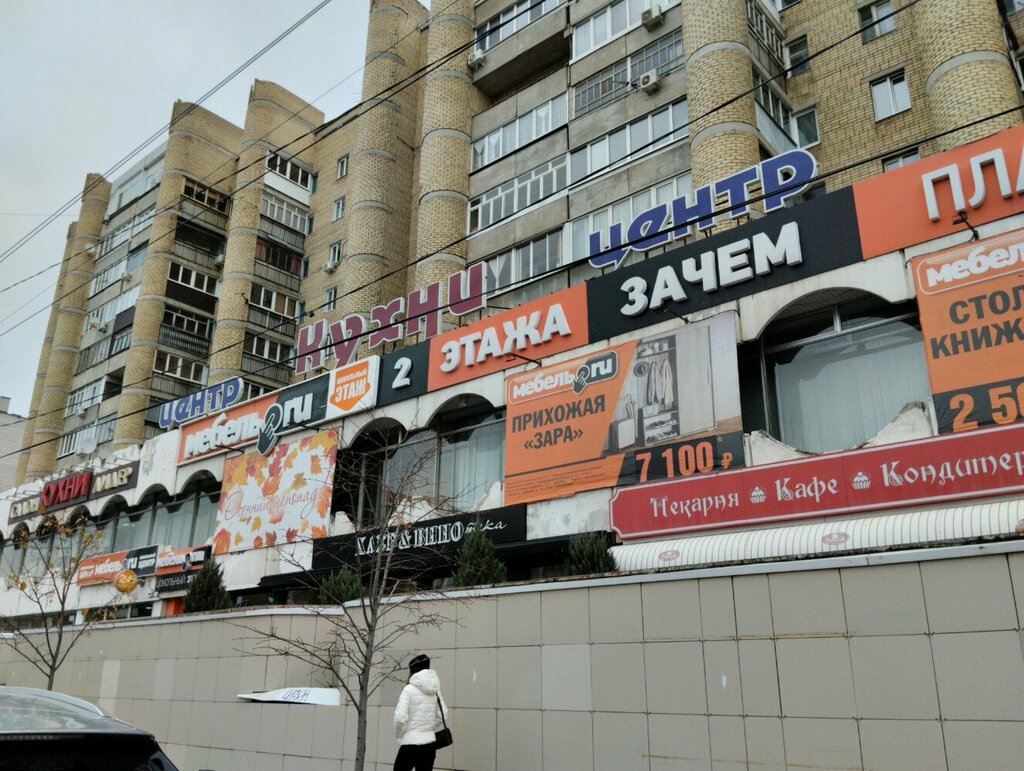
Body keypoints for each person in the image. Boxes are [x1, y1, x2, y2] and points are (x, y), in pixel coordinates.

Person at [393, 653, 447, 771]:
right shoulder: (435, 690)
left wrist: (400, 736)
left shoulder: (408, 689)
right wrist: (427, 727)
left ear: (413, 671)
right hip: (429, 744)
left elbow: (400, 719)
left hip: (410, 742)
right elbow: (443, 714)